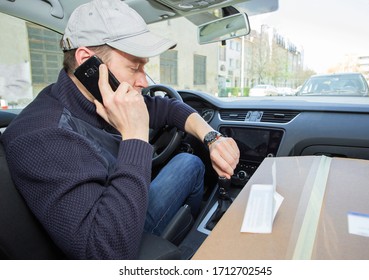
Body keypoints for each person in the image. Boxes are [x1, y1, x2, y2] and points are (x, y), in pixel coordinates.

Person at [0, 0, 239, 259]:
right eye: (134, 67)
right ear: (87, 63)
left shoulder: (100, 96)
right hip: (114, 231)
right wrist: (135, 136)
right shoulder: (45, 136)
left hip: (122, 200)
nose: (143, 81)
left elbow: (168, 108)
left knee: (189, 163)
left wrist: (212, 138)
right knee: (191, 168)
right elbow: (104, 251)